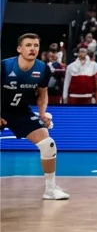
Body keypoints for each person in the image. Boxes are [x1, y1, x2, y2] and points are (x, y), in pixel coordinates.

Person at [1, 34, 68, 199]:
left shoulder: (42, 68)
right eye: (28, 45)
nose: (32, 49)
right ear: (19, 49)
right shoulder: (4, 66)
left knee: (48, 144)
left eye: (36, 45)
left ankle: (50, 190)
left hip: (21, 112)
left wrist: (43, 113)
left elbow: (42, 94)